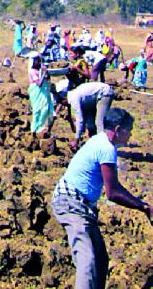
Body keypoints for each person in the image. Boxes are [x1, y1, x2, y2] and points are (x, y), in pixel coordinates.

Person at [51, 108, 151, 289]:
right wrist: (143, 207)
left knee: (100, 259)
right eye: (129, 129)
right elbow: (113, 192)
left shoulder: (99, 140)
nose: (130, 134)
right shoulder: (106, 148)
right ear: (119, 129)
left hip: (82, 206)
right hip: (71, 203)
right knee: (87, 261)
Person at [54, 82, 114, 151]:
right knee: (90, 124)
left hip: (105, 93)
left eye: (62, 103)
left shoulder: (74, 99)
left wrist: (76, 139)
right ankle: (95, 145)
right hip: (95, 97)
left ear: (64, 99)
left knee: (99, 122)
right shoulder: (77, 96)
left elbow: (80, 119)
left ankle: (104, 147)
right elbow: (84, 118)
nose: (63, 105)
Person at [27, 52, 54, 136]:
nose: (38, 63)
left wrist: (45, 72)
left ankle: (40, 128)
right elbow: (39, 83)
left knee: (44, 109)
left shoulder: (40, 70)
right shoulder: (32, 71)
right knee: (36, 111)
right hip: (36, 93)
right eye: (37, 61)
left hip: (43, 94)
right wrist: (44, 73)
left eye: (39, 61)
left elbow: (47, 80)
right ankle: (34, 129)